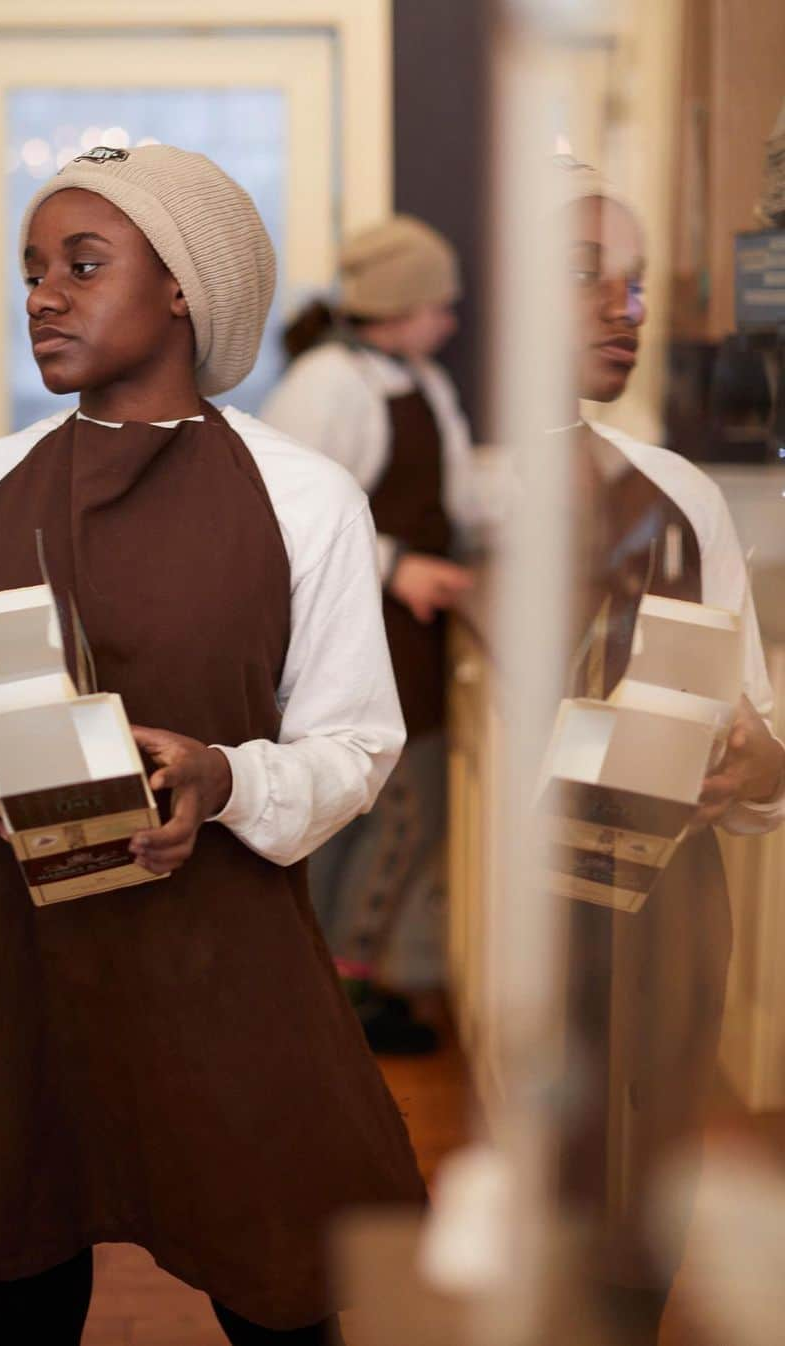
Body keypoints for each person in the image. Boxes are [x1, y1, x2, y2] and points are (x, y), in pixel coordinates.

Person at [0, 144, 427, 1346]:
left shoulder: (304, 497)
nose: (42, 296)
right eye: (31, 270)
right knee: (23, 1275)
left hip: (218, 950)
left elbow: (356, 747)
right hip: (8, 956)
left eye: (82, 263)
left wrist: (225, 777)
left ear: (184, 286)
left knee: (276, 1283)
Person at [550, 155, 785, 1343]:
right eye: (587, 273)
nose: (623, 310)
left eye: (633, 285)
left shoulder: (681, 491)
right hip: (539, 926)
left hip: (669, 921)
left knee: (644, 1229)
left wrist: (759, 764)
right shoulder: (441, 496)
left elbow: (756, 722)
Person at [261, 215, 501, 1053]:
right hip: (362, 626)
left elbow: (464, 494)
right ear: (401, 306)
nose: (453, 319)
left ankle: (338, 980)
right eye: (443, 303)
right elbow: (282, 512)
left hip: (412, 630)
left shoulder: (417, 378)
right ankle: (335, 989)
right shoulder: (327, 384)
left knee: (397, 811)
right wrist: (397, 563)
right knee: (390, 810)